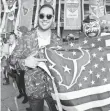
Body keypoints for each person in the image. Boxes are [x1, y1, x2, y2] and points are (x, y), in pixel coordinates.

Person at [8, 4, 61, 111]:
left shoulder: (58, 40)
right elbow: (11, 60)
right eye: (42, 16)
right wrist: (24, 62)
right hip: (34, 92)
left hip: (54, 91)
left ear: (53, 18)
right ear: (38, 17)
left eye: (49, 16)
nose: (45, 19)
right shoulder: (27, 37)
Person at [6, 32, 28, 103]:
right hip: (13, 67)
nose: (10, 39)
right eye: (9, 38)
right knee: (17, 82)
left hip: (19, 67)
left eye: (11, 38)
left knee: (22, 83)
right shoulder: (10, 46)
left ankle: (26, 96)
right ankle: (21, 93)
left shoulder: (18, 46)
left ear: (15, 38)